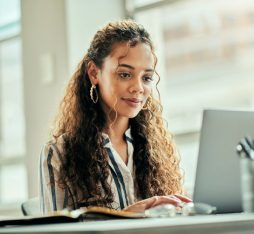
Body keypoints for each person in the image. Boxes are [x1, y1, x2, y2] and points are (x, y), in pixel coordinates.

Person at [39, 19, 191, 214]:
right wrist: (128, 216)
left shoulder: (156, 148)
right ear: (94, 73)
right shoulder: (59, 153)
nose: (138, 88)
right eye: (125, 74)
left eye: (146, 78)